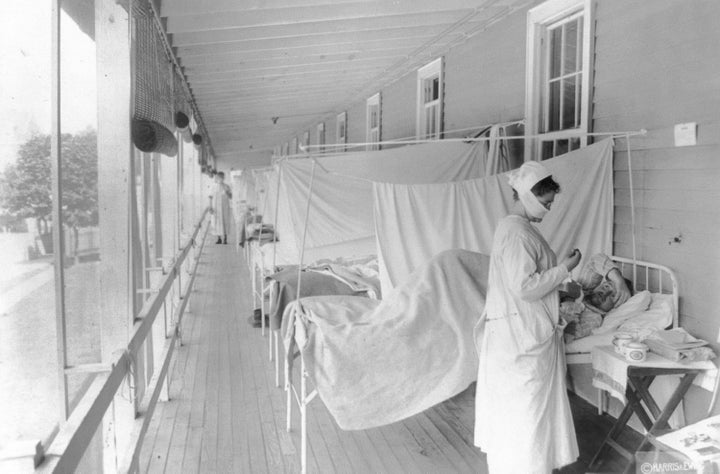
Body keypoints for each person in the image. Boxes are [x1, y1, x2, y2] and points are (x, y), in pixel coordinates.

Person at [474, 161, 581, 473]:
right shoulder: (517, 232)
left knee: (522, 415)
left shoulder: (517, 229)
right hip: (519, 338)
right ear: (531, 198)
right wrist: (565, 268)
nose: (548, 211)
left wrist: (560, 290)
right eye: (546, 204)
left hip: (516, 330)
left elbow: (522, 284)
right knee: (525, 414)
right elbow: (524, 287)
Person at [211, 171, 232, 244]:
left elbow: (231, 197)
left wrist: (227, 193)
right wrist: (210, 207)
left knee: (225, 221)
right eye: (219, 177)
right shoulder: (213, 187)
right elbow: (210, 197)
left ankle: (225, 238)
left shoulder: (226, 186)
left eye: (222, 177)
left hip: (224, 207)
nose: (220, 179)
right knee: (217, 222)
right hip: (216, 207)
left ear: (224, 178)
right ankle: (219, 238)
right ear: (217, 178)